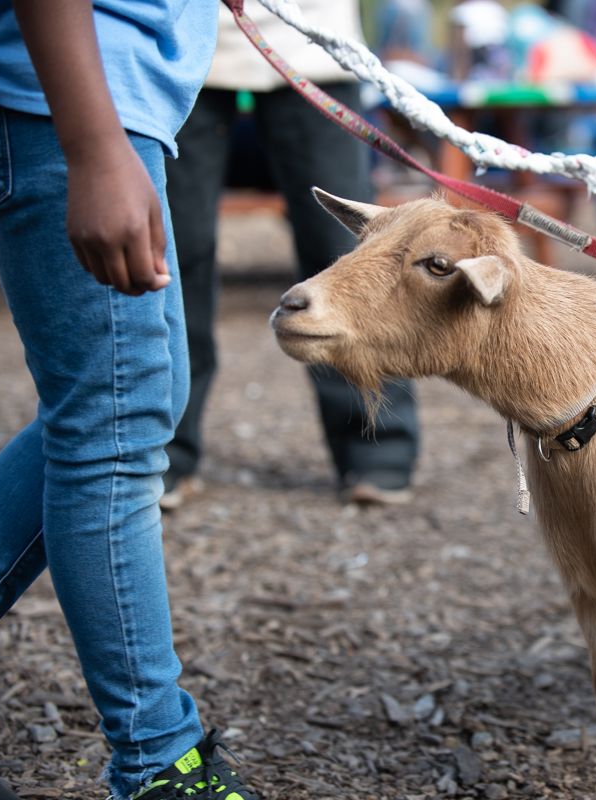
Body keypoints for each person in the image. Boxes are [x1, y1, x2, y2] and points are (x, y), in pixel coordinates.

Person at [0, 2, 259, 799]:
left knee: (126, 407)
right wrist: (93, 147)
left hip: (93, 101)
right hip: (65, 103)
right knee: (112, 430)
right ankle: (161, 763)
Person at [162, 0, 420, 510]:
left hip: (313, 43)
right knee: (175, 252)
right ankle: (164, 450)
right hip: (182, 45)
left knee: (346, 251)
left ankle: (377, 449)